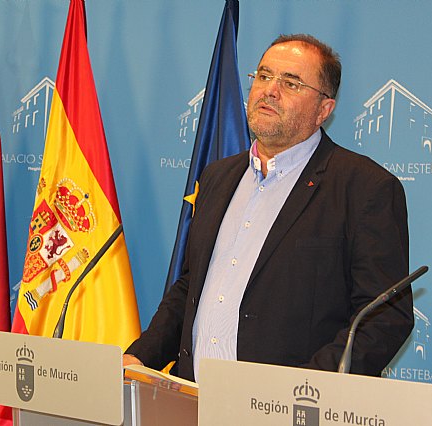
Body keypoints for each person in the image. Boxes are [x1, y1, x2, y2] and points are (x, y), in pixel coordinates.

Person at [124, 34, 414, 381]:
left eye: (291, 83)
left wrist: (297, 391)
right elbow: (191, 287)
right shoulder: (218, 176)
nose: (270, 91)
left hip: (287, 403)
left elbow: (383, 319)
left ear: (324, 110)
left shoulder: (365, 188)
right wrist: (141, 356)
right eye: (264, 76)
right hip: (193, 397)